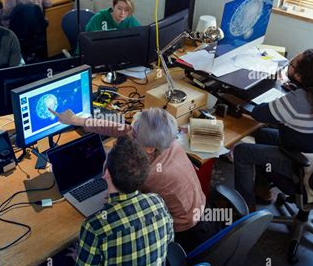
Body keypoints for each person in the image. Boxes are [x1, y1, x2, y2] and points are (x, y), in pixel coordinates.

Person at [51, 107, 219, 253]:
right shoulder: (165, 140)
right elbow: (122, 130)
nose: (130, 132)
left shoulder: (152, 175)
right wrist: (78, 120)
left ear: (149, 148)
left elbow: (121, 206)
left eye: (135, 133)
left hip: (187, 232)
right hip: (202, 208)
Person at [234, 49, 313, 211]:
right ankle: (262, 188)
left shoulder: (298, 101)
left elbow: (259, 114)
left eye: (291, 64)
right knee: (263, 134)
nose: (289, 65)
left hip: (306, 168)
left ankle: (243, 208)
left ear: (299, 76)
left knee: (242, 151)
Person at [73, 135, 174, 266]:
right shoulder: (158, 203)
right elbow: (170, 242)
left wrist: (79, 255)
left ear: (106, 173)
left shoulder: (94, 228)